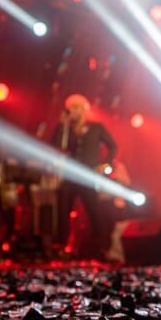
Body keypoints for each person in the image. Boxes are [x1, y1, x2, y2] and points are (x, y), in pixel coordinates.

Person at [51, 94, 117, 258]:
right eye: (70, 107)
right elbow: (56, 145)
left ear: (83, 108)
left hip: (89, 175)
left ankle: (100, 246)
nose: (72, 111)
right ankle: (62, 245)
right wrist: (62, 125)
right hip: (69, 175)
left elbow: (113, 146)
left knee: (93, 209)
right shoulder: (66, 129)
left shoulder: (96, 128)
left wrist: (105, 163)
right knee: (63, 208)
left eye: (76, 107)